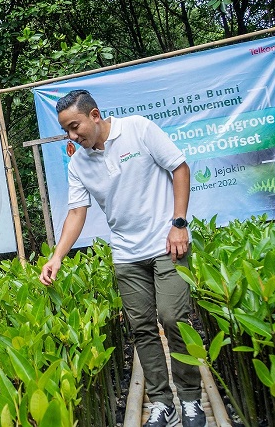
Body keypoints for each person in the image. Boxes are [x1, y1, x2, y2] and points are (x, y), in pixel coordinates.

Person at [39, 90, 206, 427]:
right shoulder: (78, 163)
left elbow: (180, 167)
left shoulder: (138, 129)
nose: (72, 137)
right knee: (142, 328)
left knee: (174, 319)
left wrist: (179, 223)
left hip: (166, 244)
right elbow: (76, 212)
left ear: (95, 115)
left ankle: (190, 399)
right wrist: (57, 256)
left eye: (75, 127)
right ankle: (163, 403)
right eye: (67, 130)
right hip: (127, 255)